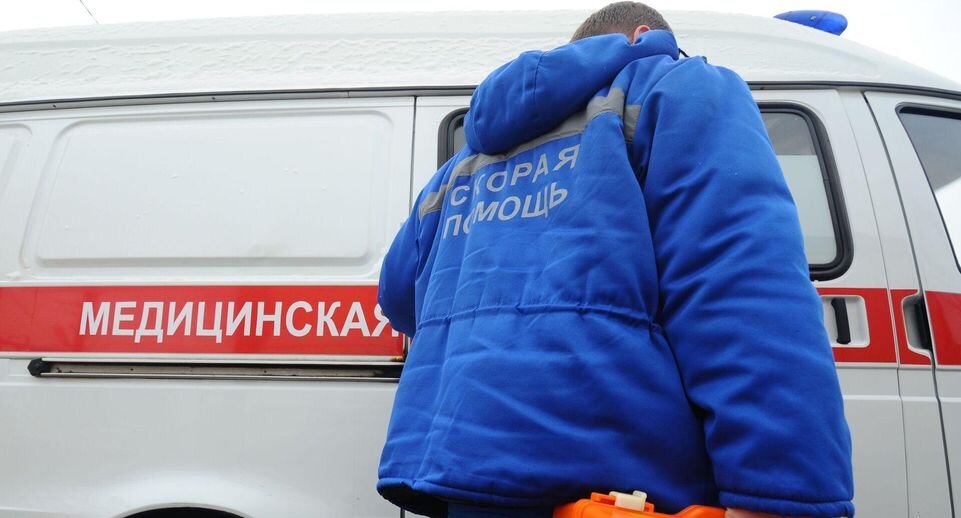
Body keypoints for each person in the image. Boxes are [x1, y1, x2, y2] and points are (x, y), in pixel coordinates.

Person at [375, 2, 855, 517]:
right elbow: (743, 290)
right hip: (621, 484)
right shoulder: (676, 88)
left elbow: (399, 298)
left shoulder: (462, 165)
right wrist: (781, 494)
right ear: (642, 36)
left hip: (465, 470)